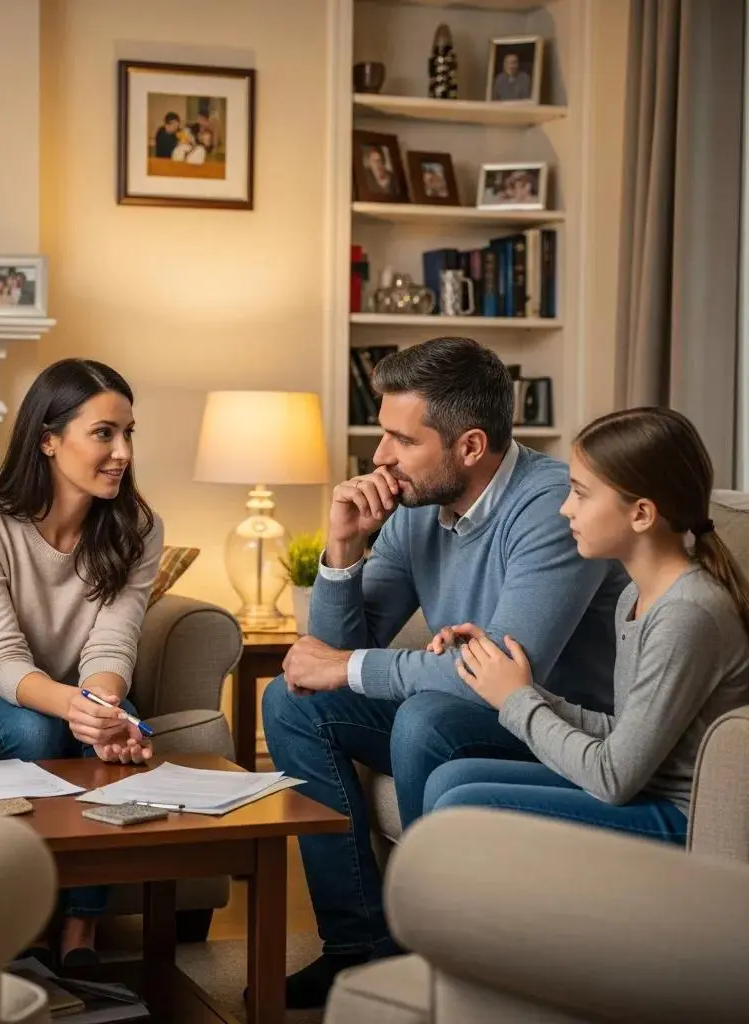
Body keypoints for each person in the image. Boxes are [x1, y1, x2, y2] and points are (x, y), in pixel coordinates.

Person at [261, 337, 628, 1008]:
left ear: (469, 446)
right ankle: (356, 947)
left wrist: (350, 666)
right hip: (462, 706)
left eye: (402, 440)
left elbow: (499, 675)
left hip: (555, 725)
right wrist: (343, 548)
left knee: (426, 716)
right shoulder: (418, 510)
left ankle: (425, 953)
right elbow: (330, 660)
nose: (379, 458)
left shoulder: (551, 509)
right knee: (292, 702)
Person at [422, 408, 749, 843]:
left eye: (580, 493)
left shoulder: (687, 613)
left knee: (460, 806)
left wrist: (517, 700)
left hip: (681, 818)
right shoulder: (634, 597)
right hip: (643, 792)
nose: (564, 508)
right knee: (451, 781)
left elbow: (613, 777)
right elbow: (624, 732)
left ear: (641, 514)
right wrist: (505, 680)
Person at [0, 357, 163, 970]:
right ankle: (29, 919)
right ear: (47, 439)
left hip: (81, 693)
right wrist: (78, 709)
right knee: (42, 729)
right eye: (103, 433)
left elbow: (112, 644)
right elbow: (2, 658)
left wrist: (102, 708)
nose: (121, 451)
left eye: (128, 434)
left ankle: (79, 930)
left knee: (116, 736)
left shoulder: (139, 527)